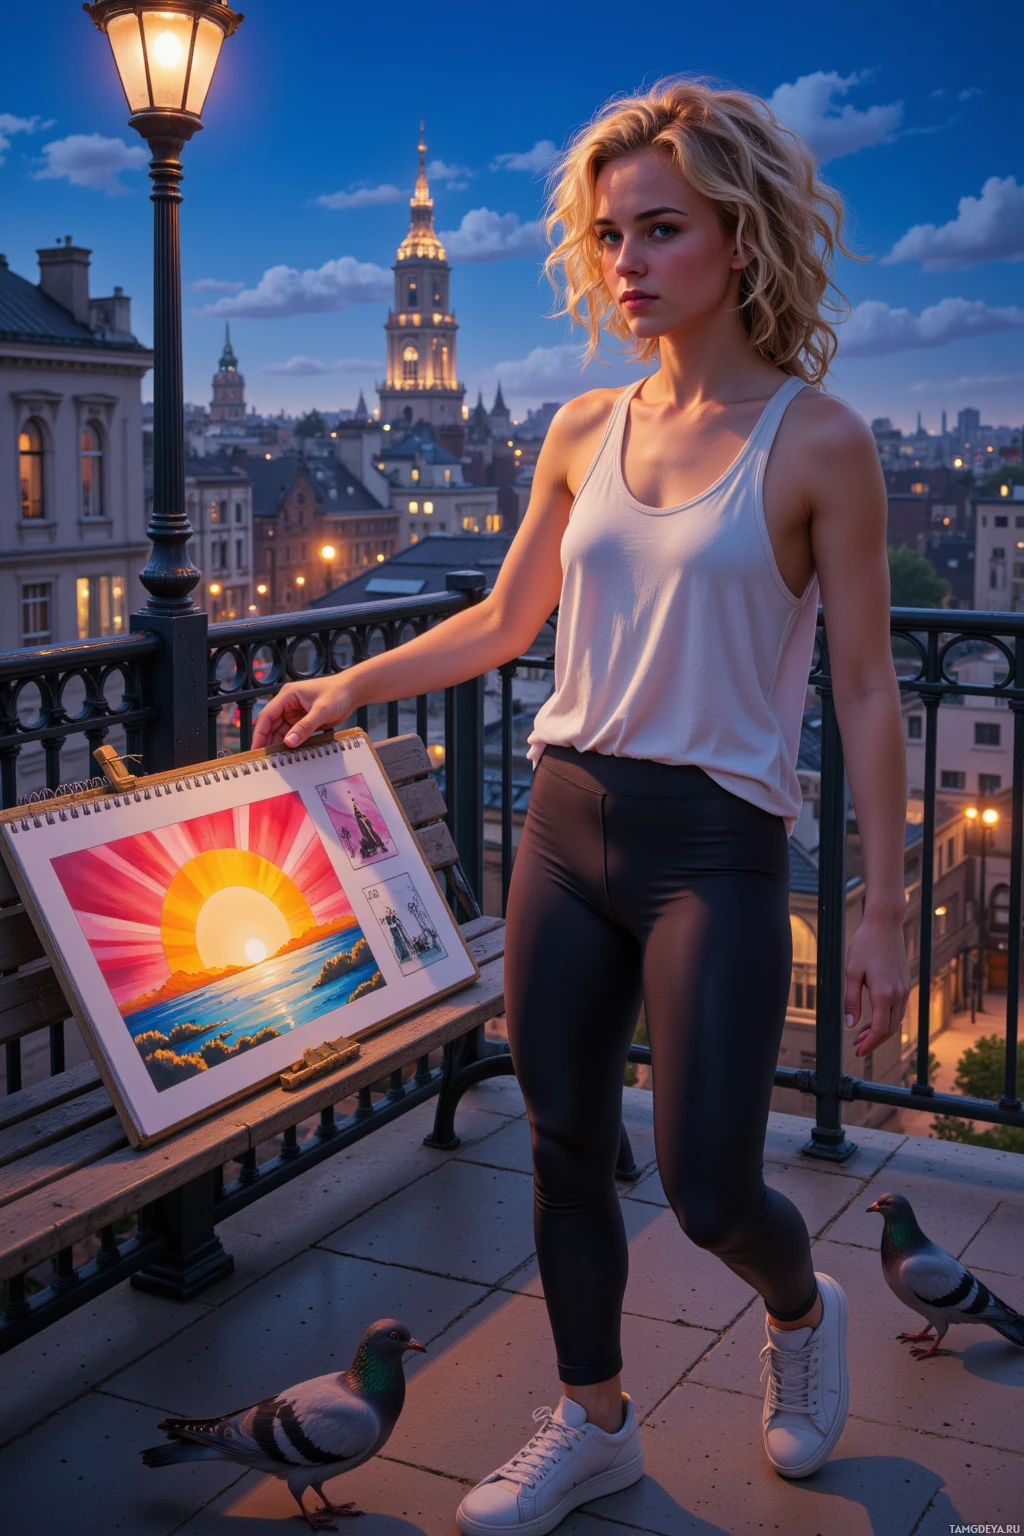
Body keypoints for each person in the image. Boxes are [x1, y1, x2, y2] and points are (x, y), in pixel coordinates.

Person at [252, 75, 910, 1536]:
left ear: (738, 238)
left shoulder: (820, 442)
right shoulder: (577, 428)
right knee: (558, 1144)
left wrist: (884, 906)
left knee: (707, 1182)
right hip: (566, 819)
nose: (626, 264)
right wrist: (350, 688)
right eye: (611, 236)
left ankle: (802, 1312)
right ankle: (596, 1419)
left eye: (660, 230)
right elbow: (499, 624)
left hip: (715, 847)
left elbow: (867, 689)